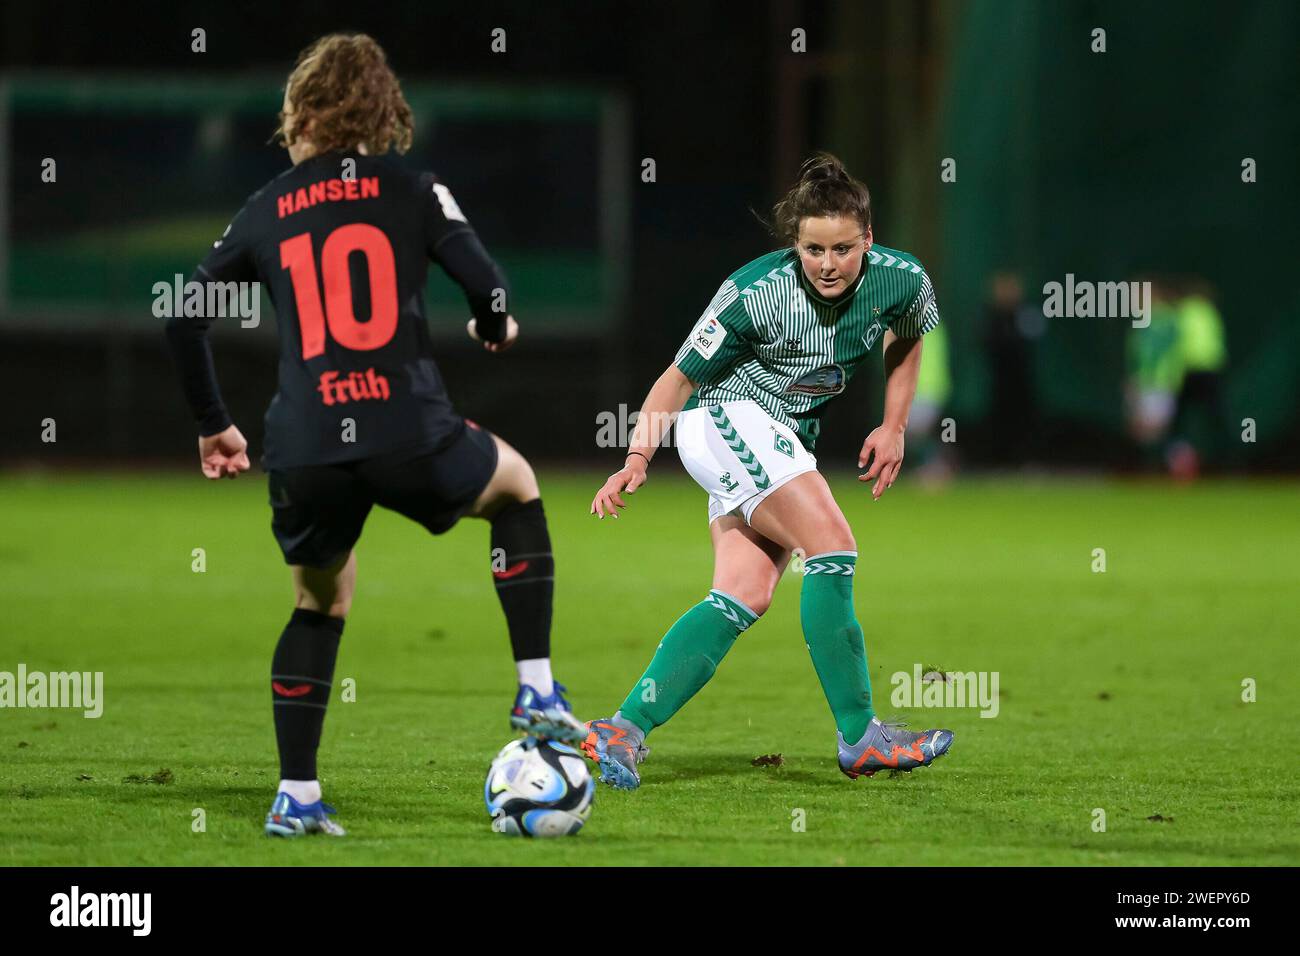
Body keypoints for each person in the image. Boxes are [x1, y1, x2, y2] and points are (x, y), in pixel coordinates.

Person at [165, 34, 582, 837]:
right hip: (405, 426)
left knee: (319, 601)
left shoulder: (267, 206)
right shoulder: (413, 187)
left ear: (299, 116)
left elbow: (183, 318)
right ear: (387, 114)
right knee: (518, 486)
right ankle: (536, 686)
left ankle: (298, 794)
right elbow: (489, 286)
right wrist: (494, 323)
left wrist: (214, 425)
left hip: (305, 443)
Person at [583, 154, 953, 789]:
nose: (828, 264)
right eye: (813, 249)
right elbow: (677, 379)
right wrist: (637, 457)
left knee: (741, 596)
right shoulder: (754, 293)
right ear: (795, 243)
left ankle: (623, 728)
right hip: (729, 420)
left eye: (841, 248)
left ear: (868, 238)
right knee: (833, 547)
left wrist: (893, 426)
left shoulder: (902, 279)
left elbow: (908, 335)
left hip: (779, 441)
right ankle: (860, 736)